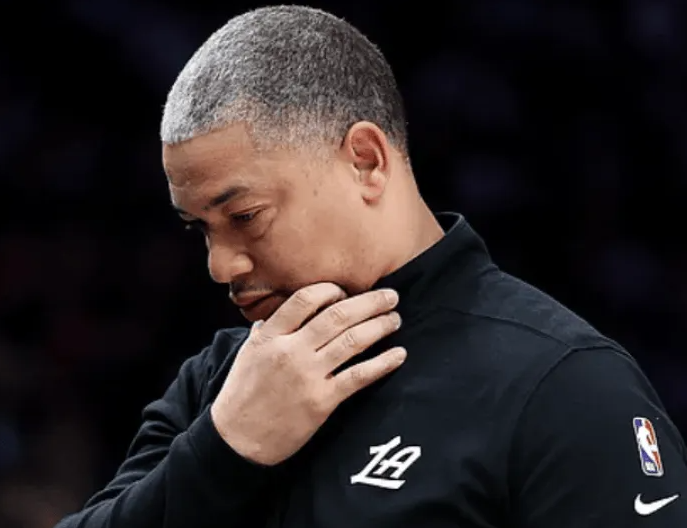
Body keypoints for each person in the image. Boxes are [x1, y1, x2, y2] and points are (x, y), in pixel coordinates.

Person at [55, 5, 687, 528]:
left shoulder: (565, 386)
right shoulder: (221, 383)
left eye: (245, 216)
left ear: (365, 161)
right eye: (200, 229)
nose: (220, 266)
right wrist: (225, 452)